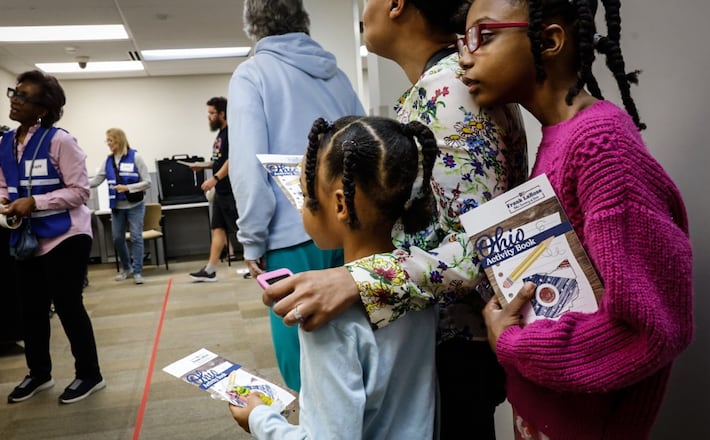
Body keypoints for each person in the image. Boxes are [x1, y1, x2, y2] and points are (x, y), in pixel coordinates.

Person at [261, 1, 528, 436]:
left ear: (397, 4)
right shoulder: (444, 87)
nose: (363, 11)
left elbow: (480, 245)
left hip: (450, 350)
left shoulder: (450, 93)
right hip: (433, 340)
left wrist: (358, 279)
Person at [455, 0, 693, 438]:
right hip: (546, 411)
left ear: (549, 41)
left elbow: (648, 327)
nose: (464, 57)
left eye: (482, 37)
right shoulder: (560, 136)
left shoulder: (600, 145)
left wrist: (515, 343)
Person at [230, 116, 439, 438]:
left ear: (341, 204)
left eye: (304, 195)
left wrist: (258, 418)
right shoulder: (417, 284)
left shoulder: (327, 316)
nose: (301, 209)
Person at [227, 0, 365, 392]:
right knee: (358, 358)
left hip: (291, 237)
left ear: (252, 26)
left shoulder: (251, 74)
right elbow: (366, 147)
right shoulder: (337, 75)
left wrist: (252, 240)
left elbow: (248, 170)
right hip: (351, 231)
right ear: (303, 19)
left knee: (305, 369)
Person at [0, 70, 105, 404]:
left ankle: (89, 374)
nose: (14, 99)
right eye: (15, 92)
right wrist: (0, 202)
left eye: (24, 96)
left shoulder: (60, 141)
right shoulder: (3, 143)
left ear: (42, 109)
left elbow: (80, 192)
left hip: (66, 234)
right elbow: (2, 184)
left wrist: (35, 202)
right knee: (32, 309)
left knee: (68, 305)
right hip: (27, 237)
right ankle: (39, 373)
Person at [89, 128, 151, 284]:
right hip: (117, 206)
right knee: (117, 238)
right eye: (107, 140)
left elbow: (147, 182)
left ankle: (137, 271)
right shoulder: (108, 161)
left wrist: (128, 188)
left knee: (136, 237)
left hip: (135, 205)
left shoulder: (136, 157)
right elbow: (96, 181)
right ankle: (126, 267)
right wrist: (76, 184)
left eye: (111, 140)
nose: (108, 144)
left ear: (119, 140)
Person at [189, 96, 240, 282]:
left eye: (211, 113)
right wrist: (202, 166)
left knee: (243, 227)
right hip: (222, 190)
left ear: (222, 113)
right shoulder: (220, 135)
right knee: (217, 228)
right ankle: (210, 270)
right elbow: (219, 161)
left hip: (231, 189)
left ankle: (261, 263)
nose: (208, 117)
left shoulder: (231, 133)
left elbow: (232, 160)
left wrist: (215, 179)